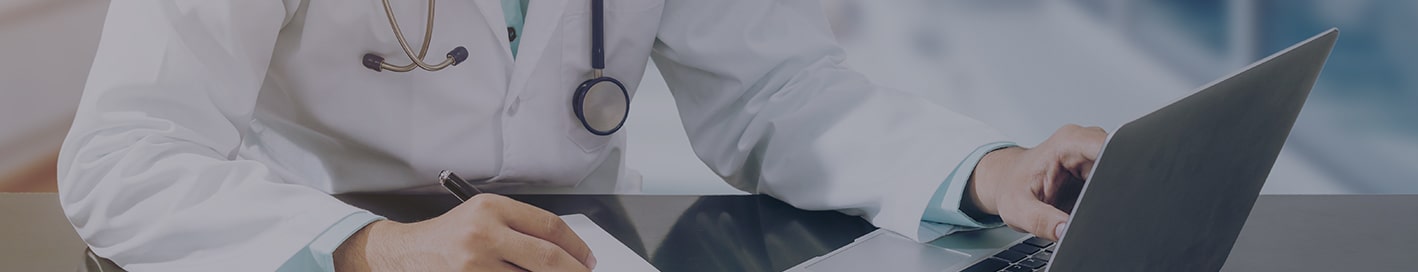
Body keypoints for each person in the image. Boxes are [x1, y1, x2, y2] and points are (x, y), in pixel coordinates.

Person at [58, 0, 1106, 271]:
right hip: (327, 243)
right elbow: (120, 153)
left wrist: (981, 170)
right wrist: (367, 246)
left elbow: (778, 88)